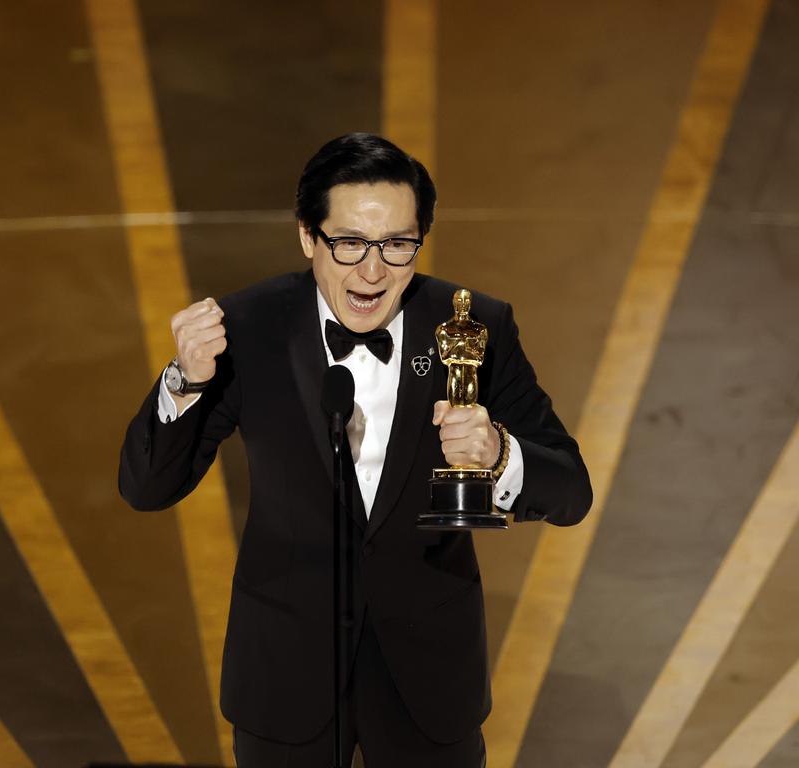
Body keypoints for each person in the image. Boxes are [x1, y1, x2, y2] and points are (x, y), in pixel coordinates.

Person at [119, 133, 592, 767]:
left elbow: (571, 491)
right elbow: (148, 488)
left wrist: (500, 455)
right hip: (284, 674)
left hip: (429, 678)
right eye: (349, 243)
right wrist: (186, 382)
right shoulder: (249, 328)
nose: (372, 271)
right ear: (308, 238)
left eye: (397, 245)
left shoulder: (474, 327)